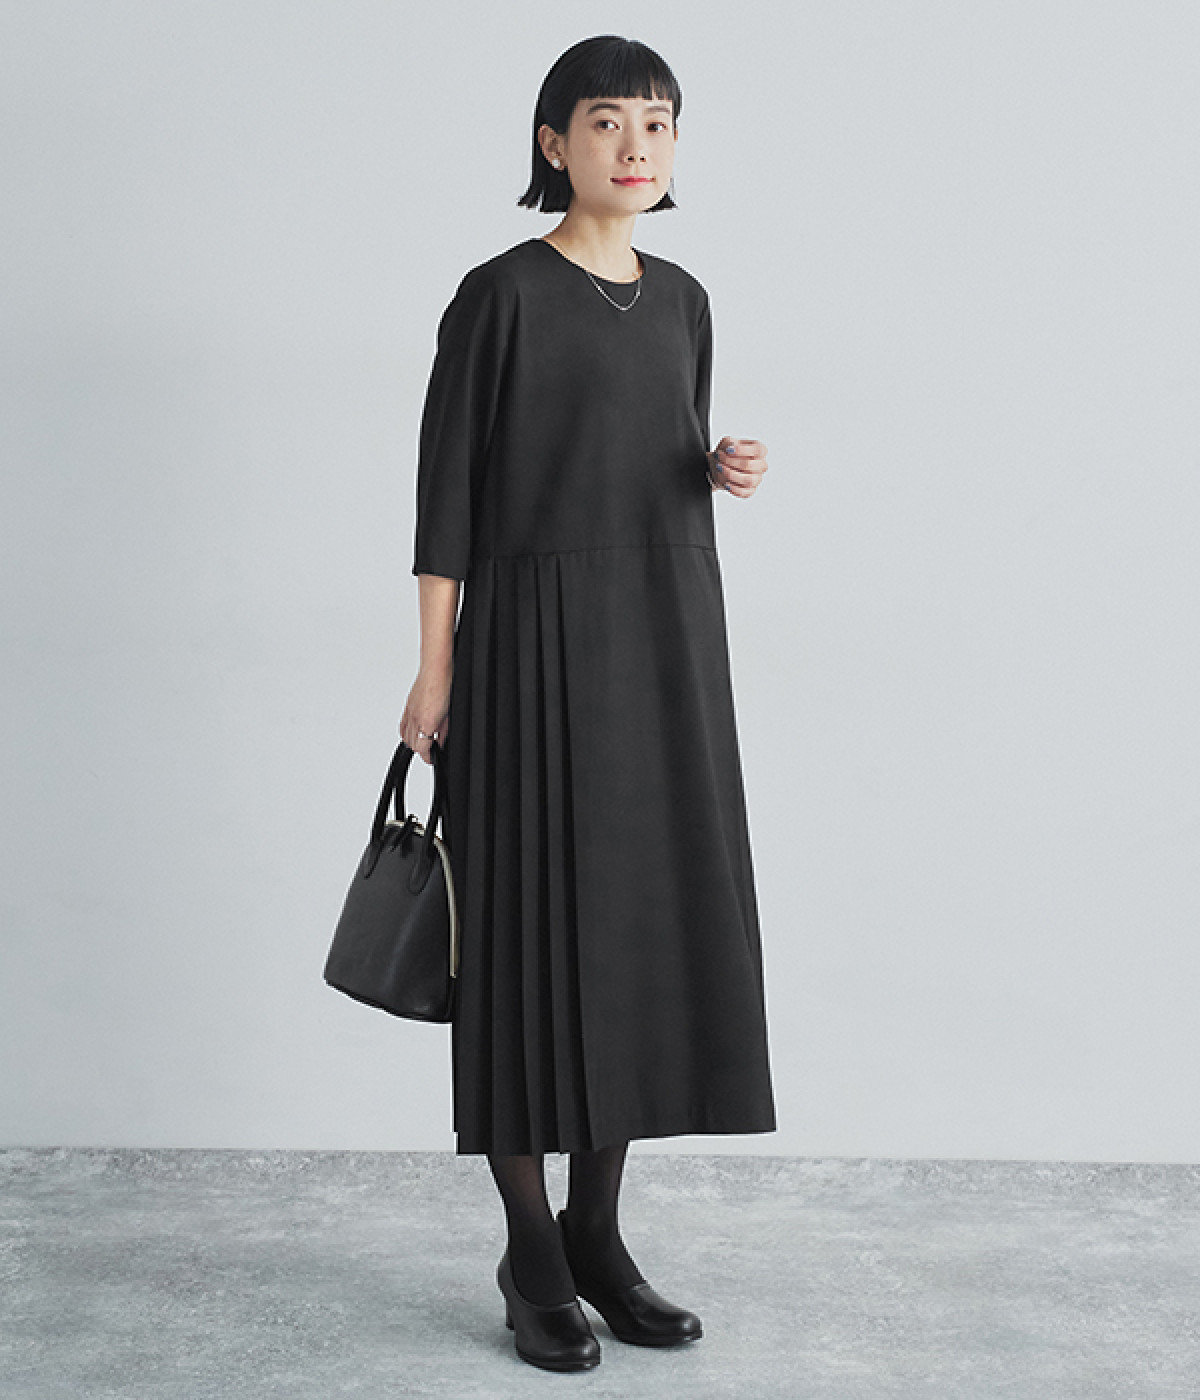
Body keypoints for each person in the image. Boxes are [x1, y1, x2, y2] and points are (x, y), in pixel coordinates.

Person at [399, 34, 777, 1372]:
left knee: (635, 932)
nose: (636, 145)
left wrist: (714, 463)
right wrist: (435, 668)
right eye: (608, 121)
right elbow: (447, 496)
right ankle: (533, 1251)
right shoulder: (497, 296)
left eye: (658, 123)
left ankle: (599, 1232)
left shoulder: (684, 300)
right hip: (525, 645)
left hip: (663, 642)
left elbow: (650, 444)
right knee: (519, 939)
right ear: (554, 142)